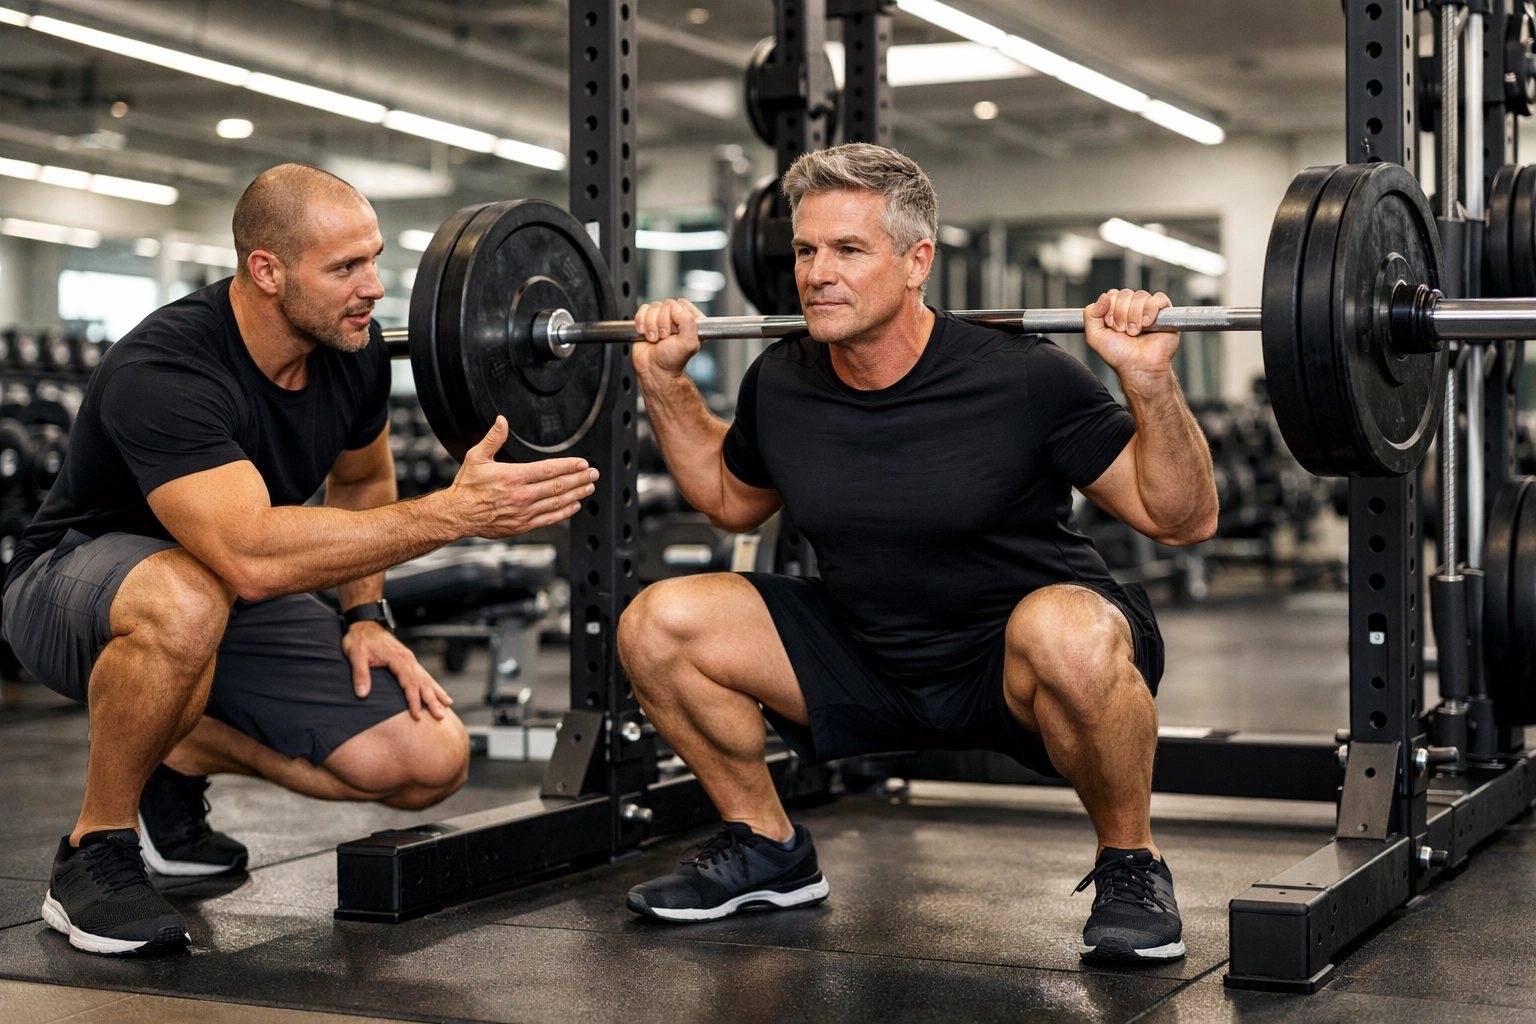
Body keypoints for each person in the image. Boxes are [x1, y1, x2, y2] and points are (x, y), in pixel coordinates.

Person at [616, 143, 1217, 961]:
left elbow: (1181, 520)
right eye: (805, 250)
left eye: (848, 250)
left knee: (1068, 630)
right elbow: (731, 500)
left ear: (916, 262)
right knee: (659, 621)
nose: (817, 273)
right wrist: (664, 384)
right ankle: (767, 849)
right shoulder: (781, 381)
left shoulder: (1024, 377)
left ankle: (1130, 861)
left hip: (1018, 661)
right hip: (867, 652)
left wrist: (1148, 384)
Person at [3, 164, 600, 957]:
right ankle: (94, 853)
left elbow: (361, 480)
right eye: (346, 268)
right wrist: (454, 513)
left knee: (430, 757)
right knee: (185, 595)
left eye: (375, 259)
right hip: (69, 588)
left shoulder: (351, 355)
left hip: (223, 602)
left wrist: (364, 612)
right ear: (267, 271)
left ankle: (174, 757)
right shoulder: (168, 369)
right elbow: (248, 555)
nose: (375, 289)